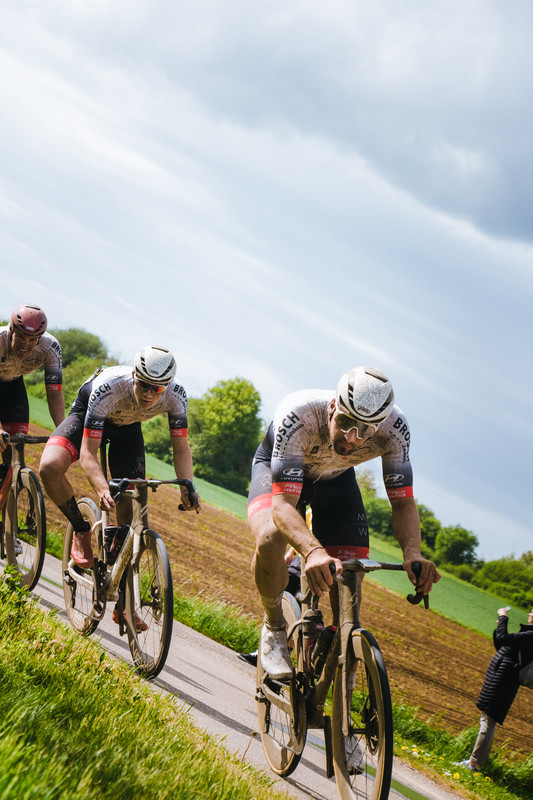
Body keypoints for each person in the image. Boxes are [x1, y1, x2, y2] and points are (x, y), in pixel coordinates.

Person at [248, 366, 440, 683]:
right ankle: (274, 628)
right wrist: (312, 551)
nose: (353, 439)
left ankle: (343, 660)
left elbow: (403, 501)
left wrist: (413, 554)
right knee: (270, 537)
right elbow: (283, 505)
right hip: (278, 474)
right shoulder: (299, 414)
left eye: (365, 431)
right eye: (347, 423)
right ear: (334, 406)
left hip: (337, 484)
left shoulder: (396, 429)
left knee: (350, 575)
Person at [40, 345, 200, 627]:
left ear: (168, 386)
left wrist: (187, 485)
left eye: (158, 389)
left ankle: (125, 602)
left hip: (128, 430)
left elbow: (181, 449)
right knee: (50, 467)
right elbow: (89, 453)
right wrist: (101, 487)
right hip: (89, 416)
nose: (150, 395)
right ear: (134, 375)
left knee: (131, 512)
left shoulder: (177, 397)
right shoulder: (109, 387)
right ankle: (80, 529)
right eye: (145, 386)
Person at [456, 607, 533, 772]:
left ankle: (474, 764)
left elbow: (503, 638)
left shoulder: (531, 635)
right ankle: (475, 762)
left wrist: (503, 617)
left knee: (488, 720)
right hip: (501, 678)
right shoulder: (528, 634)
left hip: (504, 680)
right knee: (487, 718)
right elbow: (502, 644)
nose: (530, 614)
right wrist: (500, 626)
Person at [0, 304, 64, 447]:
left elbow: (54, 393)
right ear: (11, 329)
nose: (25, 345)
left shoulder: (50, 348)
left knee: (16, 446)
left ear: (40, 338)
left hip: (13, 385)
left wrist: (63, 432)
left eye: (32, 340)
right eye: (21, 337)